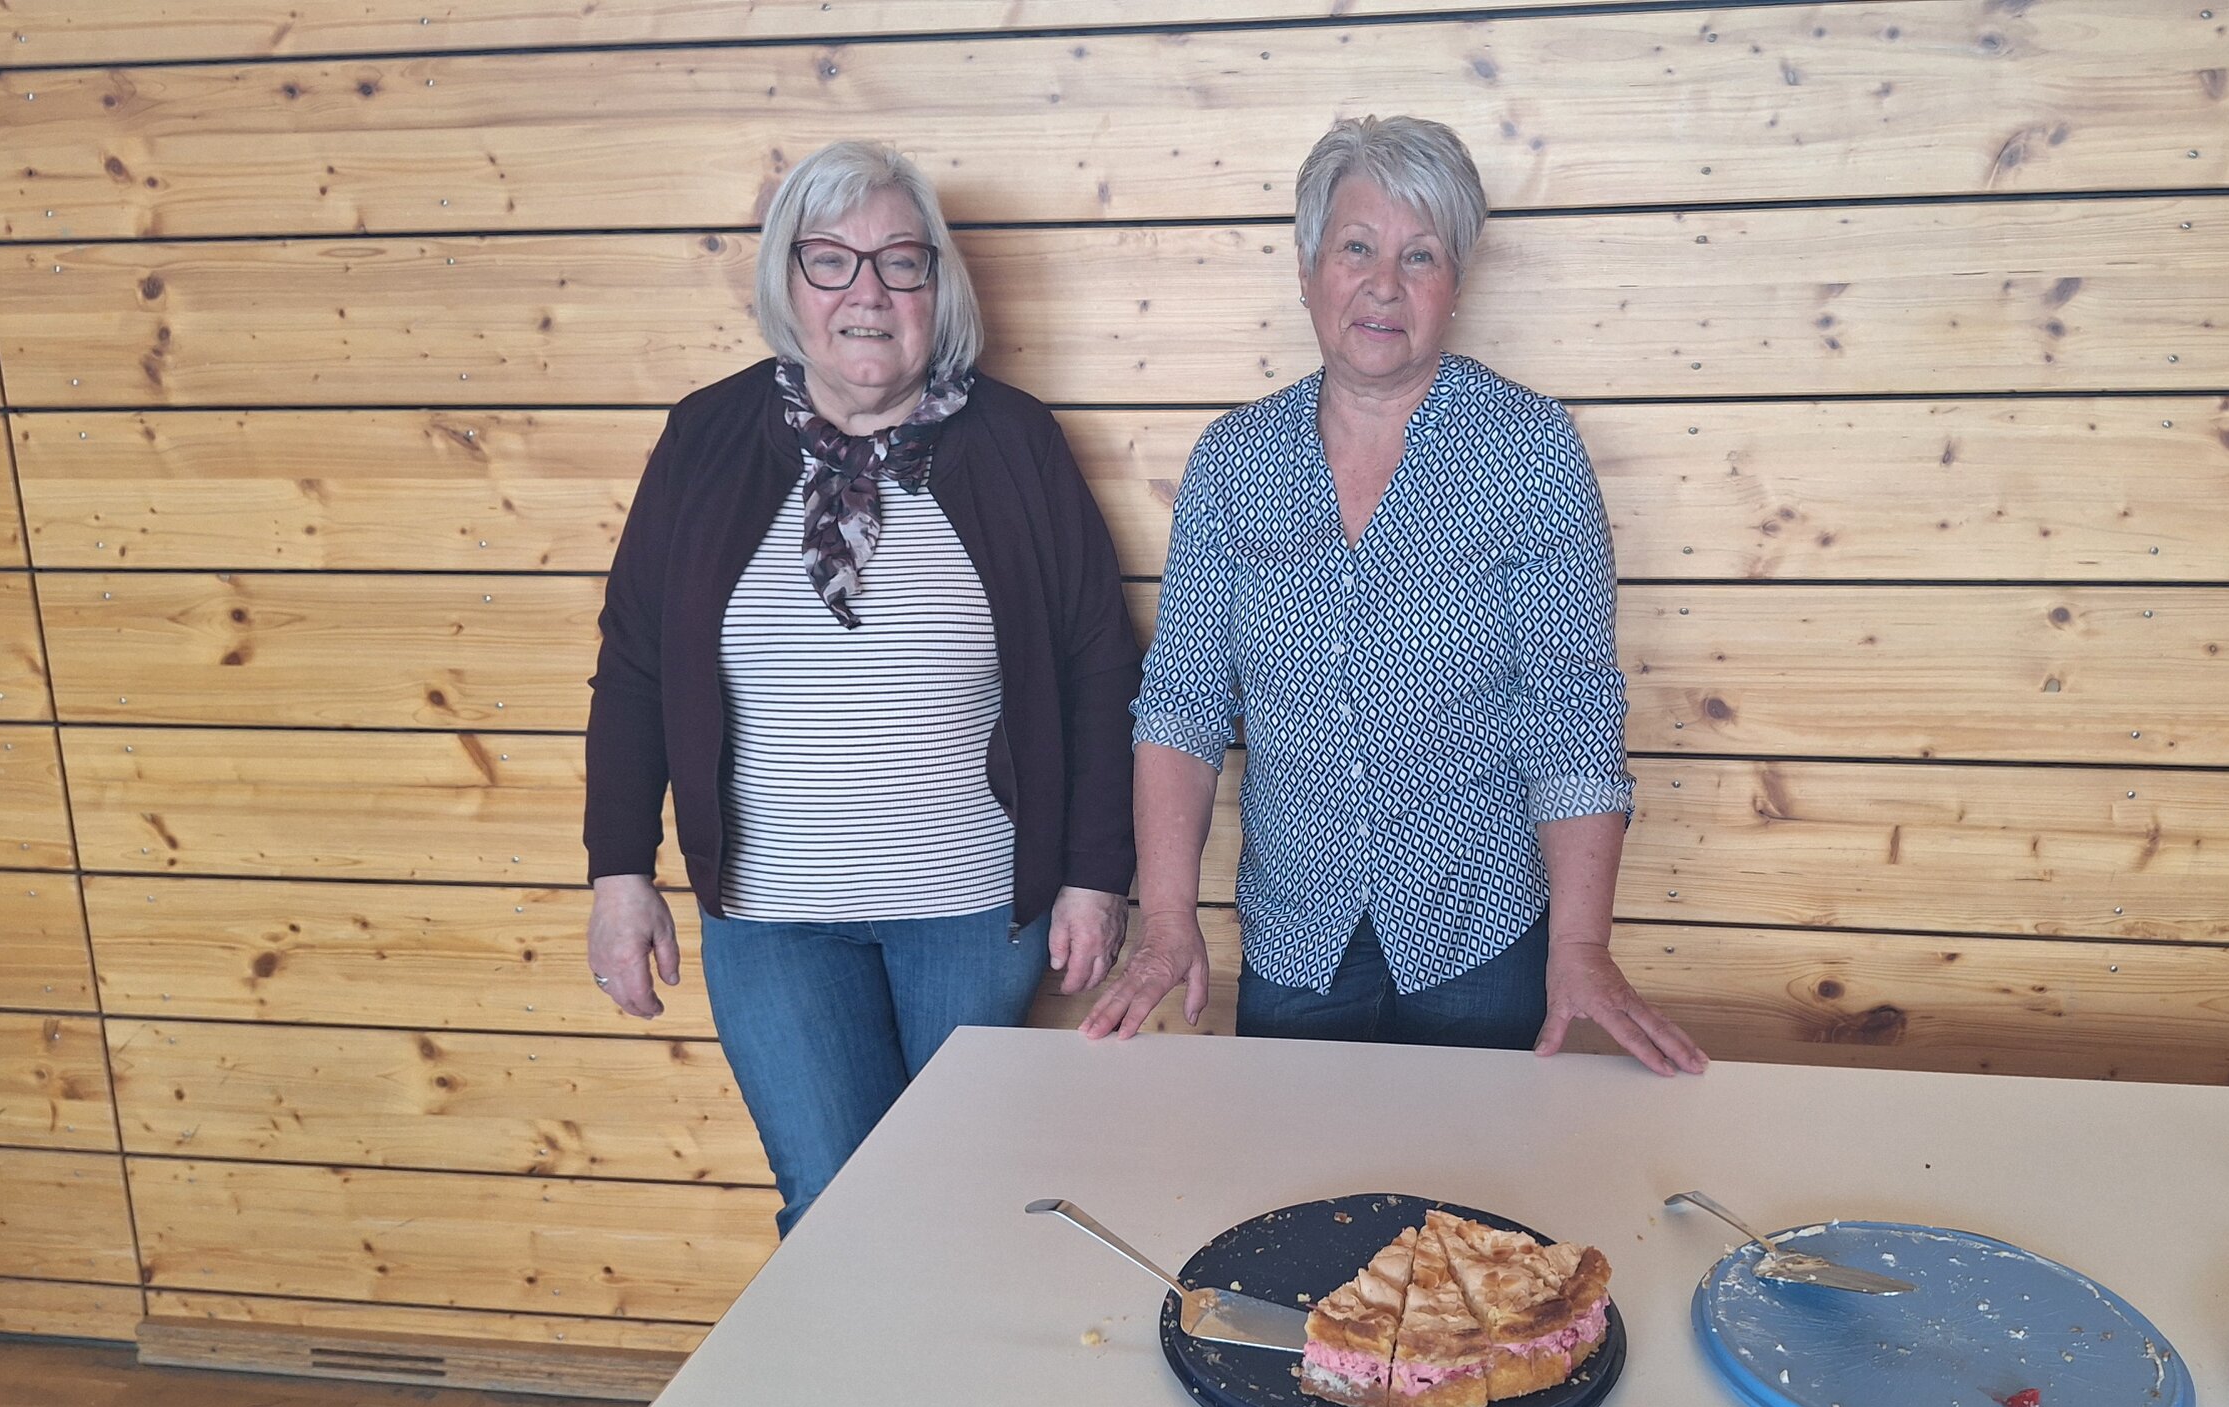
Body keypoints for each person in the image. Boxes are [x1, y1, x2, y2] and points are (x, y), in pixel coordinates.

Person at [585, 140, 1140, 1234]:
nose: (867, 293)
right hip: (771, 915)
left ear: (939, 284)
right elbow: (637, 666)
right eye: (830, 260)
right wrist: (619, 873)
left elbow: (1095, 669)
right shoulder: (705, 439)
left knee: (958, 1208)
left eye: (900, 261)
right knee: (830, 1210)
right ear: (787, 282)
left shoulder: (1014, 442)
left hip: (970, 909)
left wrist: (1094, 876)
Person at [1078, 116, 1706, 1077]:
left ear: (1456, 284)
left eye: (1420, 256)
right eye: (1356, 249)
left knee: (1476, 1174)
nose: (1384, 284)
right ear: (1307, 269)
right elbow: (1181, 705)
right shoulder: (1233, 462)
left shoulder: (1530, 451)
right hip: (1295, 936)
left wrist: (1579, 945)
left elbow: (1570, 713)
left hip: (1482, 935)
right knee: (1297, 1167)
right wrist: (1167, 920)